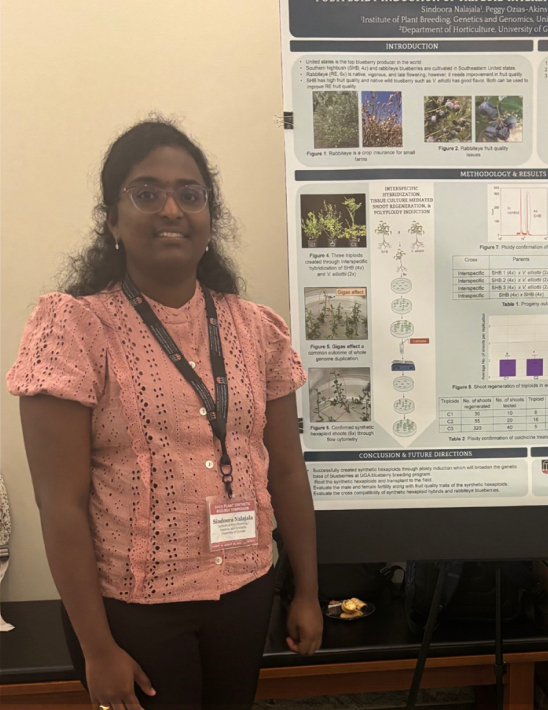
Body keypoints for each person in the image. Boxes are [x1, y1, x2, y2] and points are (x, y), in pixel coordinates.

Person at [6, 119, 323, 710]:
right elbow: (61, 504)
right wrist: (97, 648)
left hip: (246, 589)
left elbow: (286, 470)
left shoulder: (257, 329)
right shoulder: (74, 329)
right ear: (112, 219)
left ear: (210, 218)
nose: (172, 209)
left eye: (190, 194)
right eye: (147, 193)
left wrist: (307, 589)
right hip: (133, 609)